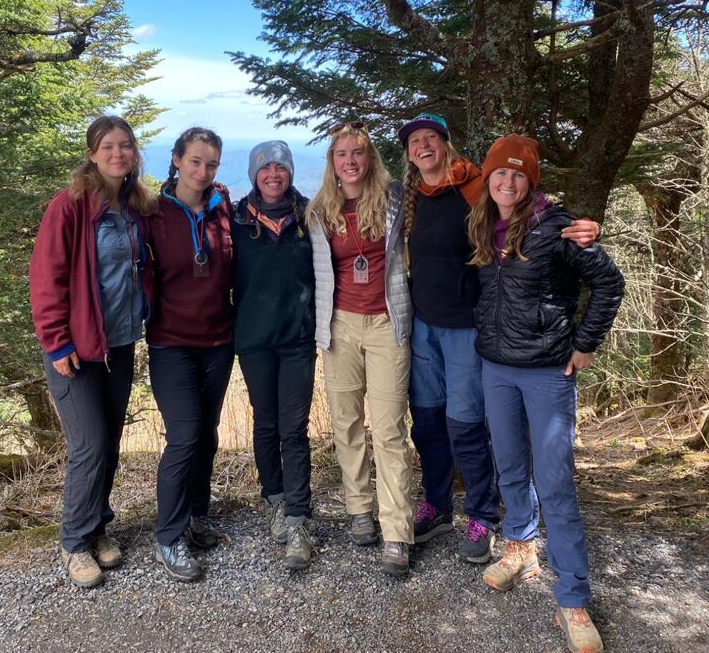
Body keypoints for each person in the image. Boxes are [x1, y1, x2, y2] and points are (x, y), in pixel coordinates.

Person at [399, 113, 599, 563]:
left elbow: (527, 216)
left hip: (469, 326)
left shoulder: (477, 188)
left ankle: (483, 513)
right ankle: (436, 504)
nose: (424, 146)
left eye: (432, 137)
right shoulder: (411, 193)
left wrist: (584, 228)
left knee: (465, 423)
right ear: (409, 152)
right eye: (416, 141)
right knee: (427, 421)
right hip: (423, 325)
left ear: (447, 143)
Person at [468, 134, 623, 653]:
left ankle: (573, 595)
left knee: (554, 481)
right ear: (488, 180)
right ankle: (519, 546)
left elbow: (609, 283)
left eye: (517, 175)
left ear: (530, 182)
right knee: (509, 464)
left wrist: (586, 344)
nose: (507, 181)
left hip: (546, 372)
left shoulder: (557, 228)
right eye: (499, 174)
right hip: (495, 367)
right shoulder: (482, 226)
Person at [29, 115, 155, 589]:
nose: (117, 153)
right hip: (75, 348)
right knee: (87, 446)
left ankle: (97, 523)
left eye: (125, 145)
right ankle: (74, 541)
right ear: (92, 153)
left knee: (108, 443)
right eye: (108, 146)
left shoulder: (134, 205)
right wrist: (56, 340)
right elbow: (45, 277)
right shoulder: (70, 206)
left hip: (118, 343)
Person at [307, 122, 414, 576]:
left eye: (358, 153)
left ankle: (397, 532)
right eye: (341, 154)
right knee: (346, 423)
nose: (350, 161)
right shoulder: (319, 210)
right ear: (332, 162)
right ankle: (359, 510)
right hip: (340, 325)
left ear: (369, 159)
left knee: (389, 430)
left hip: (388, 322)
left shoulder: (394, 198)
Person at [146, 127, 234, 582]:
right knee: (184, 435)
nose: (203, 170)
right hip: (170, 343)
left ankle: (198, 514)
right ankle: (169, 533)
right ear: (177, 160)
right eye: (195, 161)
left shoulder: (223, 208)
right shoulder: (153, 212)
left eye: (211, 163)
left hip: (219, 341)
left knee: (208, 433)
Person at [232, 141, 316, 570]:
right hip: (254, 338)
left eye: (281, 167)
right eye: (265, 168)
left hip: (299, 338)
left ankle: (298, 516)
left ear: (289, 172)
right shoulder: (233, 219)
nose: (273, 174)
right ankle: (275, 498)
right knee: (265, 423)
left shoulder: (310, 215)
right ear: (254, 174)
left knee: (294, 428)